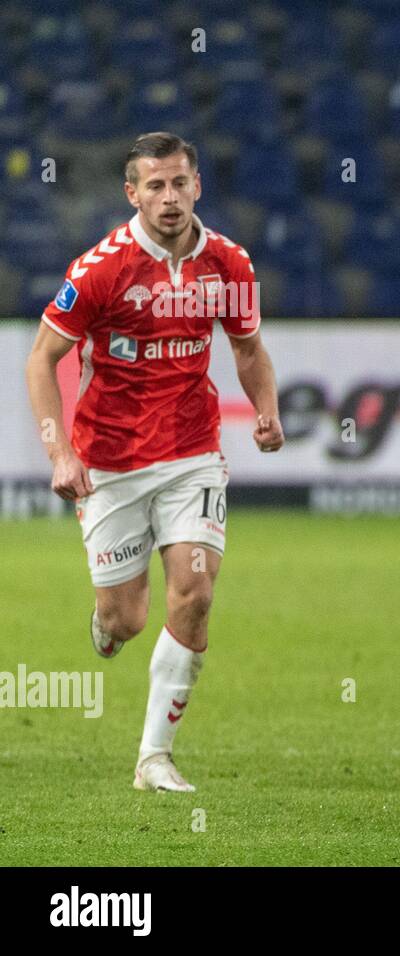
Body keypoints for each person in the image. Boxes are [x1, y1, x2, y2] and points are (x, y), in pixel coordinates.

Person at [24, 132, 285, 791]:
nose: (168, 197)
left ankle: (153, 759)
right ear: (131, 193)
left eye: (179, 183)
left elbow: (248, 349)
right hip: (109, 462)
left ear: (197, 186)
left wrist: (266, 409)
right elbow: (41, 358)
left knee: (194, 594)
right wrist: (61, 452)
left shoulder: (227, 263)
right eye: (154, 185)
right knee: (127, 620)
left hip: (192, 454)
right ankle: (107, 621)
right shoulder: (102, 269)